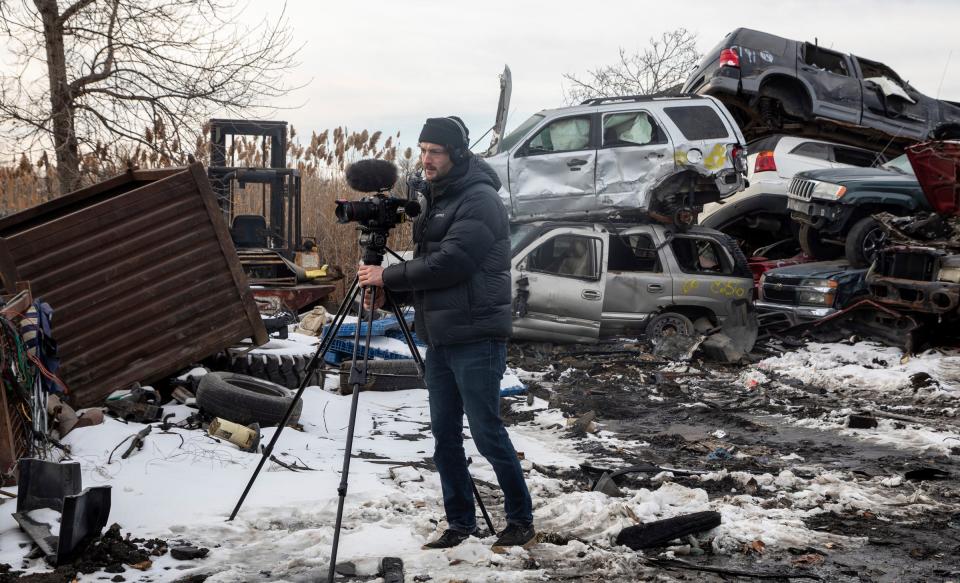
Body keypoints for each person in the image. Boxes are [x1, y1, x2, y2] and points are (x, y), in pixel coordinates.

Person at [357, 116, 535, 551]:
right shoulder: (435, 200)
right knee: (444, 437)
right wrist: (389, 296)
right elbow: (429, 277)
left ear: (457, 153)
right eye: (422, 151)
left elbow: (452, 263)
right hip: (439, 337)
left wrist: (388, 276)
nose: (426, 160)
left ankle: (520, 520)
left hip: (476, 336)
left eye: (435, 151)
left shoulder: (480, 201)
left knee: (487, 432)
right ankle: (460, 523)